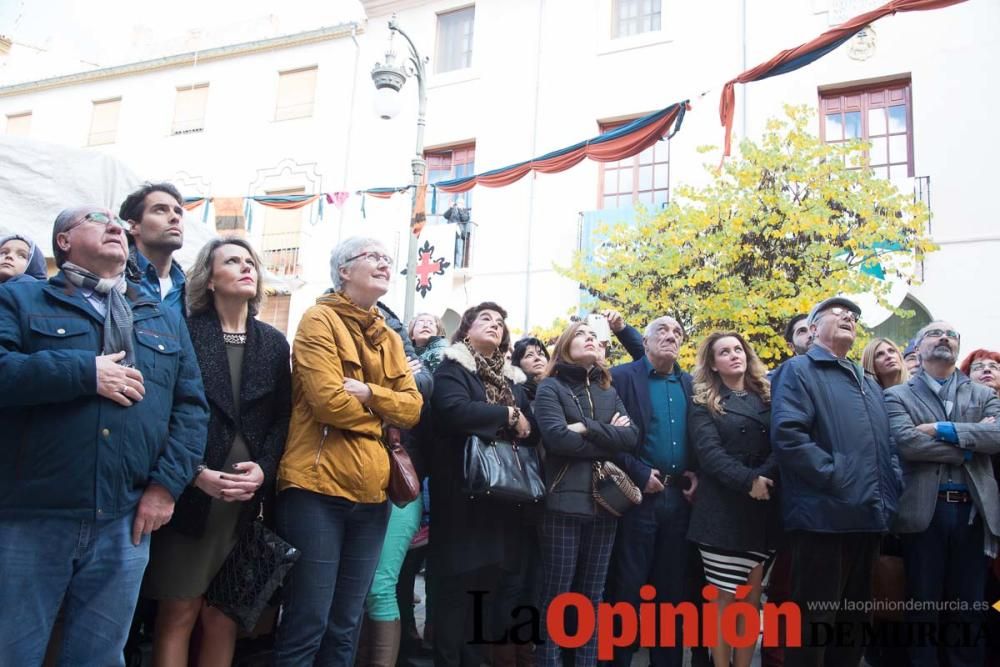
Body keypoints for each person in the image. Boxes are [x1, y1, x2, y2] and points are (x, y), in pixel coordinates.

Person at [0, 206, 208, 666]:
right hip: (31, 518)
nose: (116, 226)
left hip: (126, 518)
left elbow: (191, 408)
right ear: (63, 242)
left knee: (99, 657)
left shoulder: (159, 317)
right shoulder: (20, 299)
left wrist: (165, 487)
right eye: (98, 220)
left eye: (119, 222)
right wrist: (82, 372)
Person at [272, 237, 423, 666]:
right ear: (343, 270)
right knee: (309, 621)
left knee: (346, 624)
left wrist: (369, 393)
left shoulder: (390, 337)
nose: (384, 263)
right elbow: (328, 403)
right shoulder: (318, 320)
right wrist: (385, 410)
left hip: (374, 495)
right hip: (315, 489)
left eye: (386, 258)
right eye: (373, 257)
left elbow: (413, 410)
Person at [143, 237, 291, 666]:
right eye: (232, 261)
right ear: (209, 279)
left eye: (250, 262)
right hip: (189, 492)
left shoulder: (273, 342)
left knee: (225, 615)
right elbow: (162, 413)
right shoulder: (182, 330)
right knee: (179, 609)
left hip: (248, 501)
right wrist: (194, 473)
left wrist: (264, 469)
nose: (247, 268)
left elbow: (283, 417)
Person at [770, 296, 902, 667]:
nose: (848, 318)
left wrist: (891, 486)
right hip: (823, 518)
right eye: (837, 314)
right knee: (815, 622)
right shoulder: (798, 370)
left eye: (853, 317)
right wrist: (839, 479)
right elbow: (789, 437)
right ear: (812, 330)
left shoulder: (868, 382)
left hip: (868, 517)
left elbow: (888, 445)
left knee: (854, 623)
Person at [427, 302, 538, 667]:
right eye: (486, 319)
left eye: (501, 322)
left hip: (502, 500)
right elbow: (455, 410)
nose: (496, 325)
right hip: (461, 497)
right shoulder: (453, 368)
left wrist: (518, 416)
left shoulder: (513, 380)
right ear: (466, 330)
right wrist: (508, 414)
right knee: (453, 591)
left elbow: (532, 430)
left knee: (486, 593)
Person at [884, 321, 1000, 667]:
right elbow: (905, 442)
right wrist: (969, 445)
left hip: (973, 513)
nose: (944, 338)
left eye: (951, 335)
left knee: (969, 608)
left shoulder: (984, 394)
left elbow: (997, 438)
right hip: (924, 513)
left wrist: (941, 429)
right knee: (923, 606)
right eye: (935, 333)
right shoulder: (896, 395)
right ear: (918, 349)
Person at [533, 321, 638, 667]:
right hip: (563, 502)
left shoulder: (609, 390)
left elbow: (631, 438)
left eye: (594, 335)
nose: (590, 338)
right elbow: (556, 439)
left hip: (607, 504)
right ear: (564, 346)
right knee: (557, 597)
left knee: (593, 597)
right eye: (581, 334)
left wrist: (586, 428)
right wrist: (606, 437)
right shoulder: (550, 387)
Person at [606, 316, 698, 667]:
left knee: (672, 592)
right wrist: (640, 472)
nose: (671, 336)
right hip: (636, 496)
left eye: (677, 332)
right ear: (643, 342)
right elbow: (607, 432)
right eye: (662, 330)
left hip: (679, 500)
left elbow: (702, 435)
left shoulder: (690, 383)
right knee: (627, 588)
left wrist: (699, 473)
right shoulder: (621, 377)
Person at [688, 332, 780, 667]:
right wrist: (749, 481)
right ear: (713, 363)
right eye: (724, 352)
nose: (733, 355)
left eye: (738, 349)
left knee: (751, 599)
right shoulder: (703, 401)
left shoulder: (770, 396)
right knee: (724, 599)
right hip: (721, 512)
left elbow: (782, 443)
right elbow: (709, 454)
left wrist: (763, 479)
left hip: (761, 508)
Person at [120, 182, 188, 314]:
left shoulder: (190, 292)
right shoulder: (114, 277)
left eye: (178, 212)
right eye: (160, 210)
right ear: (134, 227)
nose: (175, 217)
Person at [512, 336, 550, 402]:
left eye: (541, 354)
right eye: (529, 355)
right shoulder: (514, 393)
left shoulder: (560, 387)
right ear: (518, 364)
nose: (537, 358)